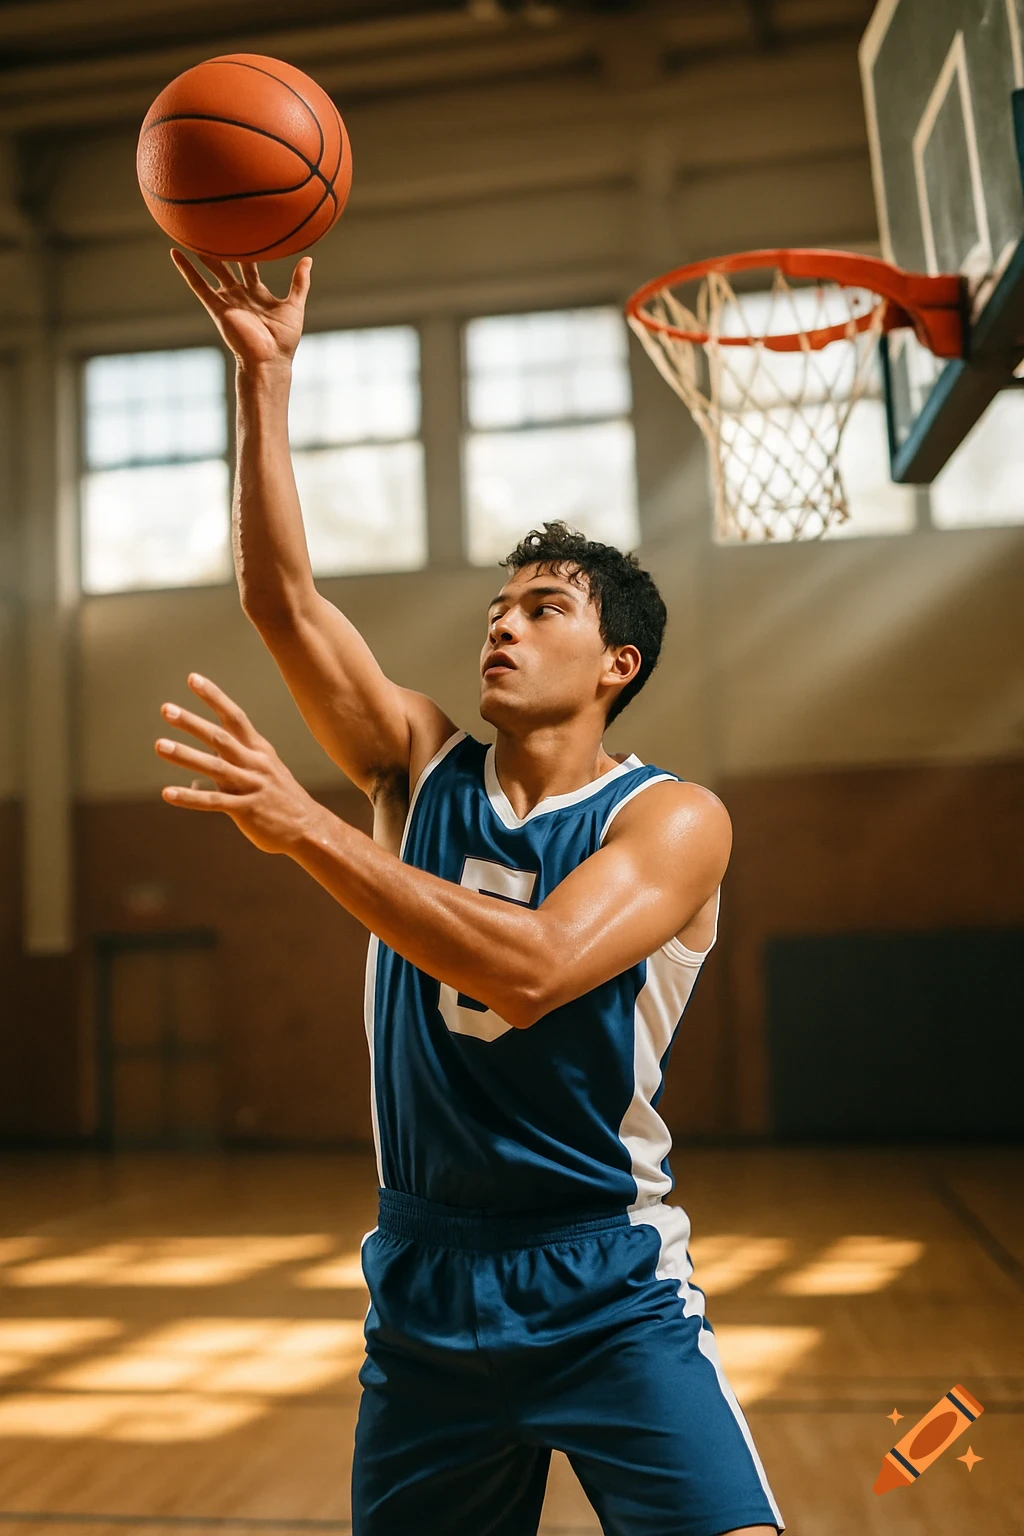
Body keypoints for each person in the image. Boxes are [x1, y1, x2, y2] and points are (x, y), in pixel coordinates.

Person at [157, 250, 785, 1536]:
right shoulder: (415, 763)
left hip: (602, 1275)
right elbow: (281, 601)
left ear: (618, 663)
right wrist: (261, 380)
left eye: (541, 608)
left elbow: (538, 964)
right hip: (426, 1276)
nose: (501, 625)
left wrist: (307, 835)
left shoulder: (670, 819)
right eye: (497, 608)